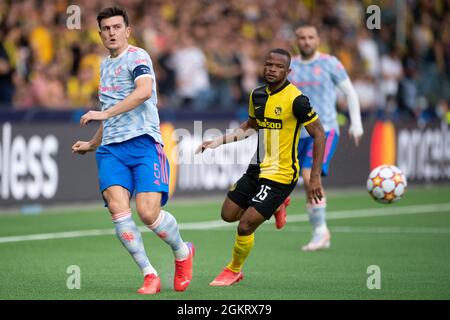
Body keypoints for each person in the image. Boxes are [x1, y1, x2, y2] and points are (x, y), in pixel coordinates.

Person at [71, 7, 194, 295]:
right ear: (100, 33)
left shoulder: (138, 57)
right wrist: (92, 143)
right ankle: (149, 274)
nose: (111, 32)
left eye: (117, 27)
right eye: (106, 28)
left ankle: (183, 251)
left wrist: (104, 114)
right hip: (111, 150)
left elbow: (142, 92)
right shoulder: (104, 66)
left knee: (148, 214)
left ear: (127, 31)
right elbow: (109, 112)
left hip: (143, 143)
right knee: (118, 209)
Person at [196, 48, 326, 286]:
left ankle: (233, 270)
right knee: (228, 215)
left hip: (281, 174)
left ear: (288, 71)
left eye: (278, 67)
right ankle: (277, 205)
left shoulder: (297, 100)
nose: (271, 70)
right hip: (256, 167)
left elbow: (319, 134)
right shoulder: (257, 95)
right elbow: (250, 126)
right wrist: (217, 142)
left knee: (245, 225)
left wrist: (315, 176)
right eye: (268, 65)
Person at [286, 24, 364, 251]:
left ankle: (320, 232)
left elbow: (350, 92)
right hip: (297, 133)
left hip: (325, 129)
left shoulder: (330, 63)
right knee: (300, 179)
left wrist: (356, 124)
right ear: (296, 40)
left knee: (311, 176)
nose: (306, 41)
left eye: (311, 37)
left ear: (318, 39)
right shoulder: (291, 66)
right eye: (302, 38)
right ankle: (320, 231)